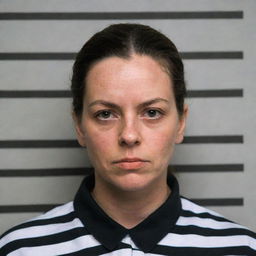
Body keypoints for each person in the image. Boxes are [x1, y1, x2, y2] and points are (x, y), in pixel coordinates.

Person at [0, 23, 255, 256]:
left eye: (152, 112)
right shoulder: (19, 250)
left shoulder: (241, 249)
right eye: (106, 114)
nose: (129, 135)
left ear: (181, 123)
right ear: (79, 126)